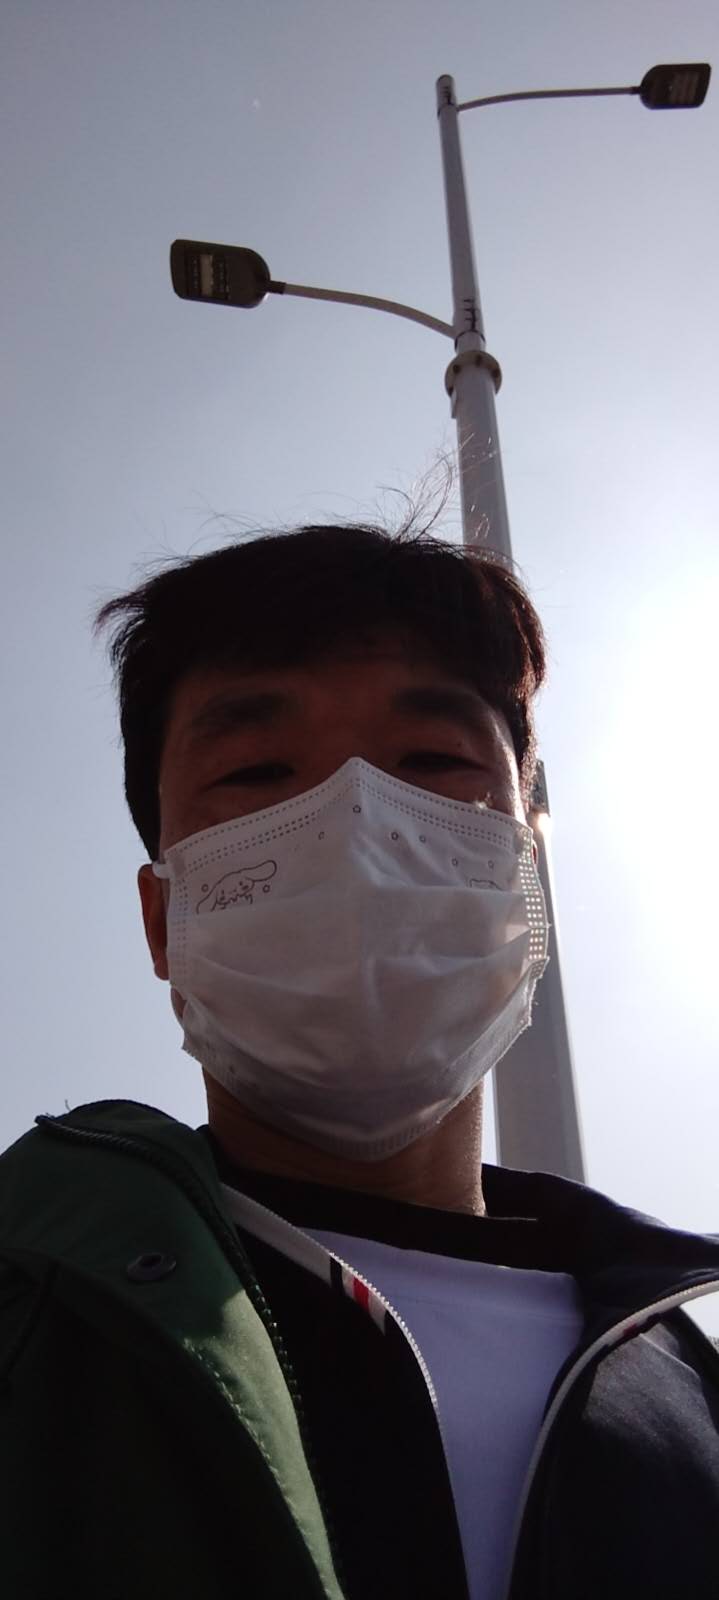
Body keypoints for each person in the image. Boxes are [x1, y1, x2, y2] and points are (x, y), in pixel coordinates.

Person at [1, 522, 718, 1600]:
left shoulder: (685, 1391)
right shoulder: (32, 1322)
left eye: (431, 761)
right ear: (162, 921)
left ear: (524, 878)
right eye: (257, 771)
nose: (354, 826)